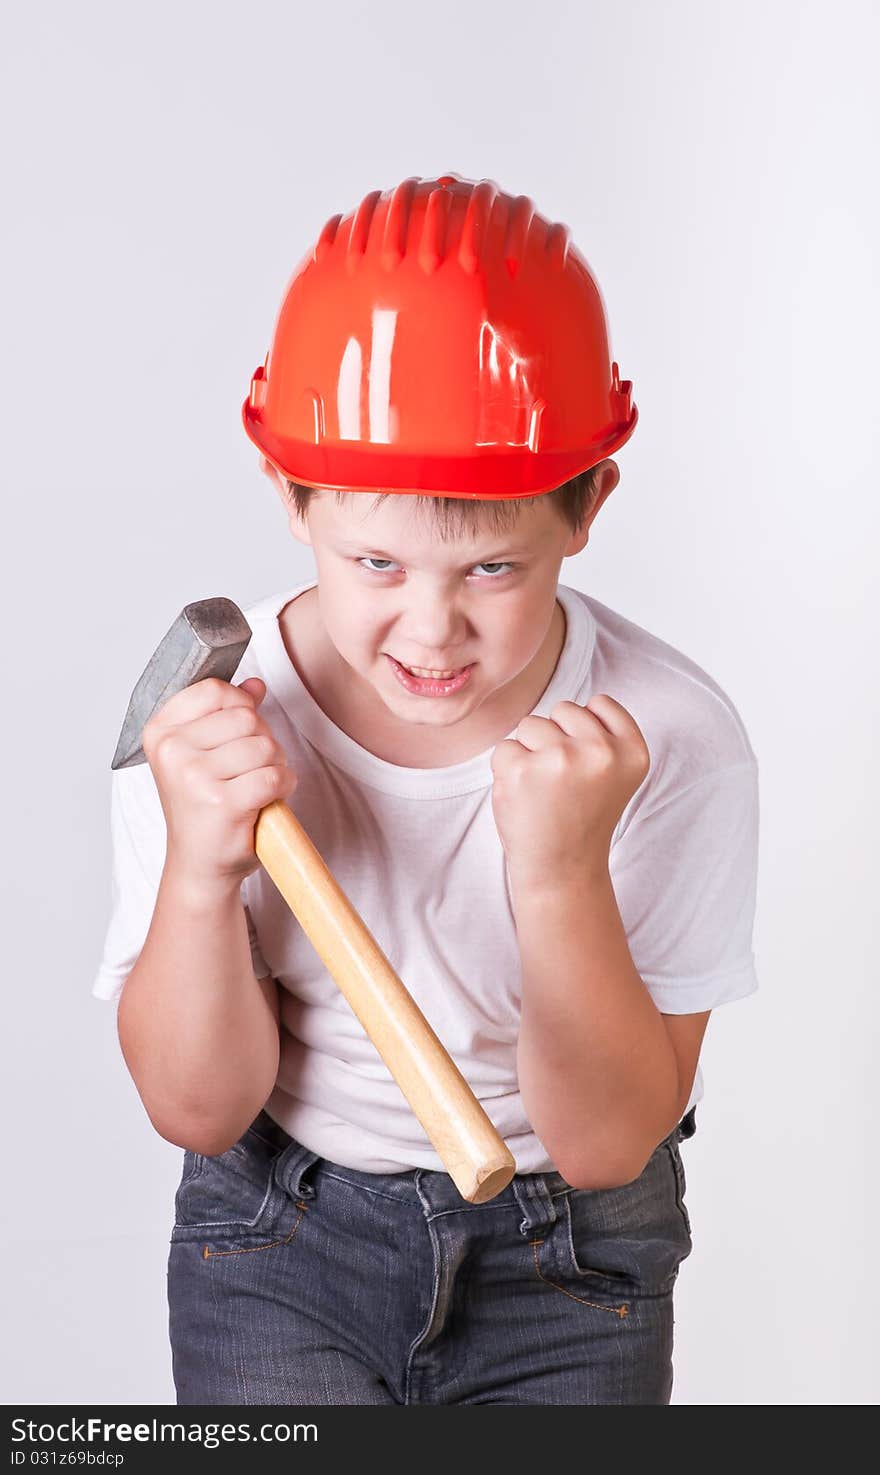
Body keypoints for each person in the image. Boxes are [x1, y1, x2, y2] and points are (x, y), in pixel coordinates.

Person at [92, 172, 760, 1406]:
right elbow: (197, 1107)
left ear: (587, 505)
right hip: (275, 1242)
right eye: (375, 560)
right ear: (291, 498)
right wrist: (201, 871)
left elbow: (609, 1141)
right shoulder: (217, 726)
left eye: (495, 563)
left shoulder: (667, 737)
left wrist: (558, 874)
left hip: (572, 1264)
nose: (432, 626)